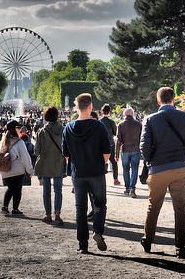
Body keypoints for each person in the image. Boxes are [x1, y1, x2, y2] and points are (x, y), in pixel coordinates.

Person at [140, 87, 185, 257]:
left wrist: (151, 160)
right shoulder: (184, 116)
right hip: (180, 167)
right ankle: (180, 246)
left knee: (153, 207)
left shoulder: (150, 119)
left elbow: (144, 146)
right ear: (173, 100)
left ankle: (148, 240)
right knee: (180, 208)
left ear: (158, 101)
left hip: (158, 169)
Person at [62, 93, 111, 253]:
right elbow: (106, 152)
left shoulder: (68, 128)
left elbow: (66, 154)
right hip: (96, 171)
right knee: (100, 204)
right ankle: (97, 231)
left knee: (80, 209)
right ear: (91, 106)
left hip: (78, 173)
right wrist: (98, 163)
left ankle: (83, 244)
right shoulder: (99, 126)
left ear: (76, 107)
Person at [34, 106, 66, 225]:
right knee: (58, 190)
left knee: (46, 190)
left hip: (45, 163)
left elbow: (37, 151)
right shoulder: (63, 130)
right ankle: (57, 213)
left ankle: (48, 215)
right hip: (58, 163)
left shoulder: (41, 132)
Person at [0, 120, 34, 215]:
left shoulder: (3, 142)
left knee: (10, 188)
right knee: (17, 189)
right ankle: (15, 209)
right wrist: (30, 170)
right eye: (18, 128)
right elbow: (25, 157)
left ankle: (4, 207)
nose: (20, 129)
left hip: (5, 170)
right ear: (14, 129)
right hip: (17, 170)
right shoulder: (19, 142)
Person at [116, 107, 142, 197]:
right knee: (135, 169)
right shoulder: (138, 124)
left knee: (125, 170)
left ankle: (127, 188)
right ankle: (132, 188)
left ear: (124, 115)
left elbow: (118, 141)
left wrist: (116, 154)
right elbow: (142, 138)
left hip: (125, 150)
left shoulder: (121, 125)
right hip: (135, 149)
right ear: (132, 114)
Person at [100, 104, 121, 186]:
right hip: (110, 143)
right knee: (113, 163)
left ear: (102, 112)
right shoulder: (111, 122)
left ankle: (101, 178)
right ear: (109, 112)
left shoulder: (99, 122)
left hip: (101, 145)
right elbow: (115, 133)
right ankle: (115, 179)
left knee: (101, 162)